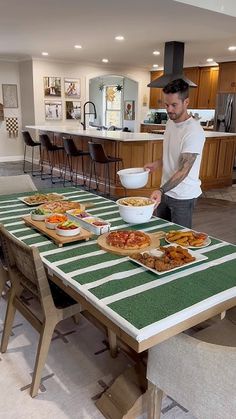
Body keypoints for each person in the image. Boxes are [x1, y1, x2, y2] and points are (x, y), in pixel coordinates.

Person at [144, 78, 205, 228]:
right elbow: (171, 154)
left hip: (183, 197)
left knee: (179, 241)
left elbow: (184, 169)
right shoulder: (171, 122)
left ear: (186, 102)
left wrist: (160, 189)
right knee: (162, 234)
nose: (169, 109)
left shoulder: (193, 131)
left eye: (174, 105)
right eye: (166, 104)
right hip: (166, 191)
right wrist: (157, 163)